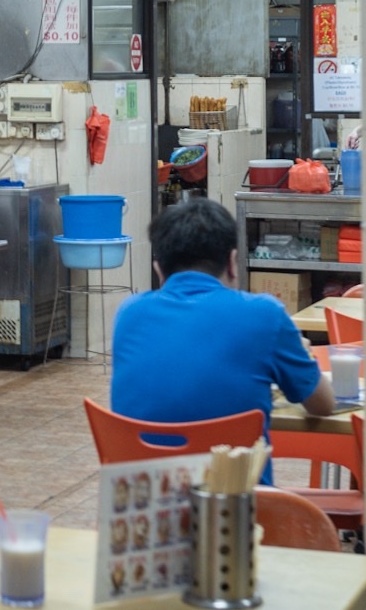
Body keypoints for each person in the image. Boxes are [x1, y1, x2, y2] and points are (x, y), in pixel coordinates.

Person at [110, 196, 335, 485]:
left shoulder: (129, 313)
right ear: (232, 262)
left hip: (144, 504)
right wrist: (305, 355)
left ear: (159, 269)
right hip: (234, 503)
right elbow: (323, 405)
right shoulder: (264, 314)